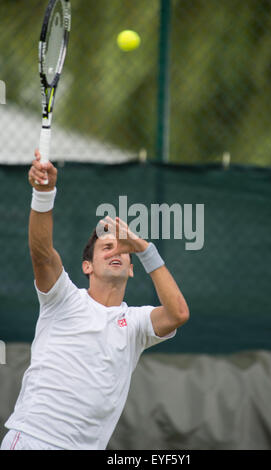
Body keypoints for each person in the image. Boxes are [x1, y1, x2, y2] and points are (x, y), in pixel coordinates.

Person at [1, 151, 189, 451]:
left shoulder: (136, 324)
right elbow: (42, 253)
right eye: (106, 248)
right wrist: (44, 193)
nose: (115, 252)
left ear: (131, 268)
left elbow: (178, 313)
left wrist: (143, 248)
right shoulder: (62, 299)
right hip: (33, 439)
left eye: (122, 250)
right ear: (87, 266)